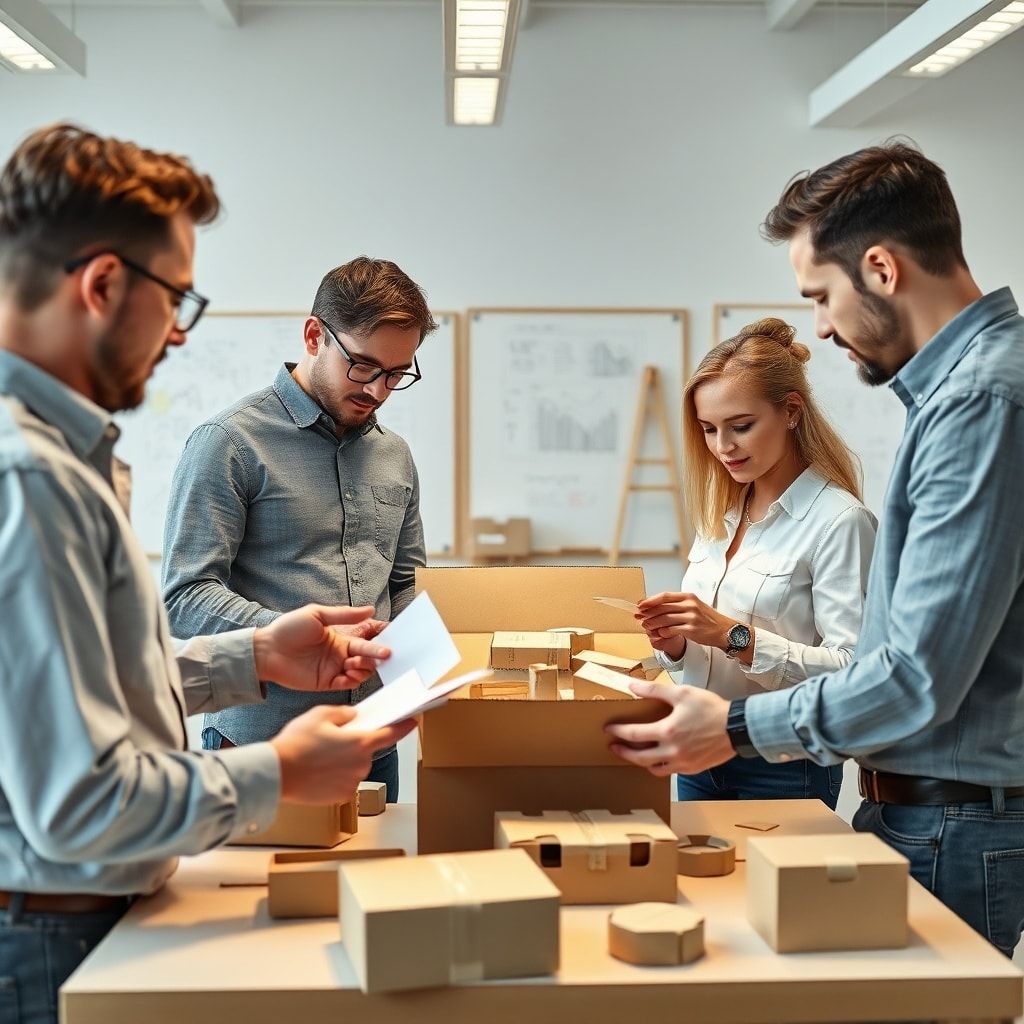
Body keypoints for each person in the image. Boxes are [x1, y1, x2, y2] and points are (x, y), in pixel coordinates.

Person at [0, 123, 414, 1024]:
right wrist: (278, 768)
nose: (179, 336)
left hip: (68, 912)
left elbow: (86, 687)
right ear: (104, 284)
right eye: (177, 300)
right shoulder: (30, 478)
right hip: (46, 931)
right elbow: (80, 804)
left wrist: (254, 653)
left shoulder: (57, 462)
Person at [608, 141, 1024, 957]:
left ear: (880, 267)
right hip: (917, 804)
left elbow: (916, 675)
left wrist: (732, 726)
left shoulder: (979, 399)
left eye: (822, 296)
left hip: (951, 815)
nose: (821, 328)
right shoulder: (962, 392)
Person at [161, 257, 436, 801]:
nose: (379, 391)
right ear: (315, 336)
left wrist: (425, 654)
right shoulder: (229, 443)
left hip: (372, 741)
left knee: (371, 881)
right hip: (258, 746)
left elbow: (405, 583)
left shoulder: (394, 455)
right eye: (363, 366)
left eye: (397, 374)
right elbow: (184, 596)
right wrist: (296, 639)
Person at [639, 316, 875, 808]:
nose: (723, 447)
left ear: (791, 411)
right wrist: (677, 644)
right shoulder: (718, 517)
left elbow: (854, 675)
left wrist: (733, 636)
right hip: (700, 755)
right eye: (709, 430)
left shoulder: (840, 521)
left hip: (784, 766)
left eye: (741, 427)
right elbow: (698, 665)